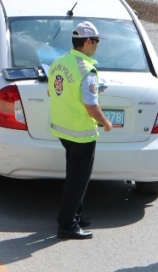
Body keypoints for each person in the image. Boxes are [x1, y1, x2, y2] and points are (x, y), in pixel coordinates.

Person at [47, 21, 113, 240]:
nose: (97, 45)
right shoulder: (87, 69)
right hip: (81, 133)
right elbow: (91, 106)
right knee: (78, 180)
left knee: (75, 176)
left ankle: (77, 214)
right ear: (87, 41)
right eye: (96, 41)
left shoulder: (58, 63)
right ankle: (67, 224)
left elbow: (53, 93)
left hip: (63, 129)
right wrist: (106, 122)